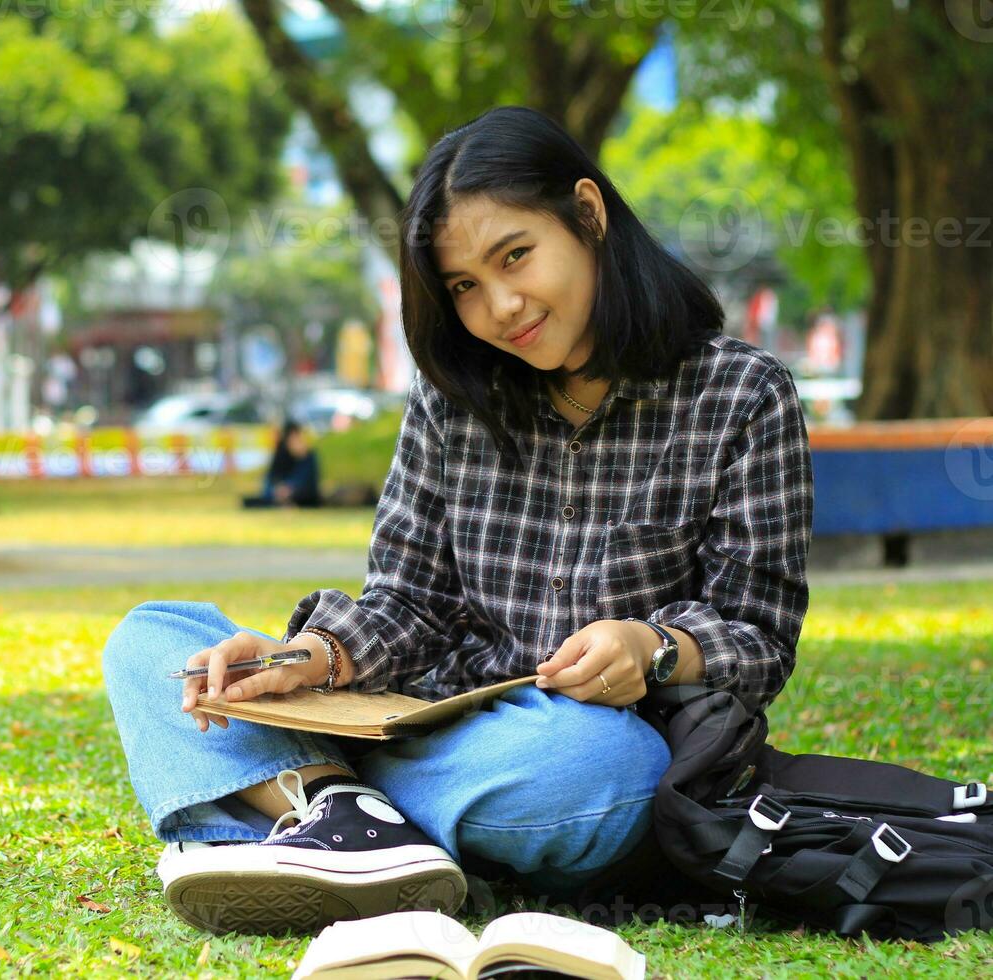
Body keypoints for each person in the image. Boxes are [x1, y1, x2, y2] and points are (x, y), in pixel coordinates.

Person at [101, 105, 814, 937]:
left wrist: (651, 649)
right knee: (151, 643)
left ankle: (316, 808)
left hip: (586, 754)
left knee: (595, 765)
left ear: (588, 214)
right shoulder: (453, 400)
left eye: (516, 256)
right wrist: (309, 659)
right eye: (465, 287)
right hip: (421, 714)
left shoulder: (742, 395)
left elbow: (757, 635)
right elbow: (409, 602)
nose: (502, 306)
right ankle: (346, 813)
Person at [241, 418, 323, 509]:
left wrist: (291, 487)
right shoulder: (281, 454)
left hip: (301, 494)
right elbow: (272, 477)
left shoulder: (308, 456)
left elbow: (309, 482)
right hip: (279, 493)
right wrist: (280, 489)